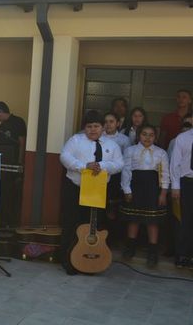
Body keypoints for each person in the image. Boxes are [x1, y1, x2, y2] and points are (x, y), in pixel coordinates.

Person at [59, 110, 123, 275]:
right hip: (75, 188)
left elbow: (119, 164)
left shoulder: (111, 145)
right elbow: (64, 157)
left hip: (98, 189)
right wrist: (84, 166)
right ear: (84, 128)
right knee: (72, 223)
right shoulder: (75, 140)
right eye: (89, 126)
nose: (93, 130)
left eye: (96, 126)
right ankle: (68, 260)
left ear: (103, 127)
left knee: (94, 226)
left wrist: (102, 166)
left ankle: (90, 260)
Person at [120, 124, 169, 267]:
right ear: (138, 135)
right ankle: (130, 247)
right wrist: (127, 190)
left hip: (153, 189)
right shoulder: (130, 150)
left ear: (155, 137)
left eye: (151, 135)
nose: (147, 137)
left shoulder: (161, 153)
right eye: (144, 134)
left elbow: (165, 174)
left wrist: (163, 193)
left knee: (152, 221)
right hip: (136, 187)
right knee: (134, 219)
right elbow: (126, 171)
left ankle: (152, 251)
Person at [102, 112, 130, 244]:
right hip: (99, 176)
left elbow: (126, 161)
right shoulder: (99, 136)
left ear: (118, 123)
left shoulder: (124, 140)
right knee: (99, 206)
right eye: (106, 121)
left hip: (115, 177)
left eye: (111, 121)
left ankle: (111, 238)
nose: (108, 124)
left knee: (112, 208)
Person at [169, 123, 193, 269]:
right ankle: (182, 254)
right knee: (184, 220)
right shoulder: (183, 138)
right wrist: (175, 186)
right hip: (187, 183)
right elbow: (175, 163)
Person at [0, 101, 27, 165]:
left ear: (1, 111)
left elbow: (22, 143)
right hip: (3, 159)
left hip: (14, 159)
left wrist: (20, 162)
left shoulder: (18, 121)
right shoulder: (2, 125)